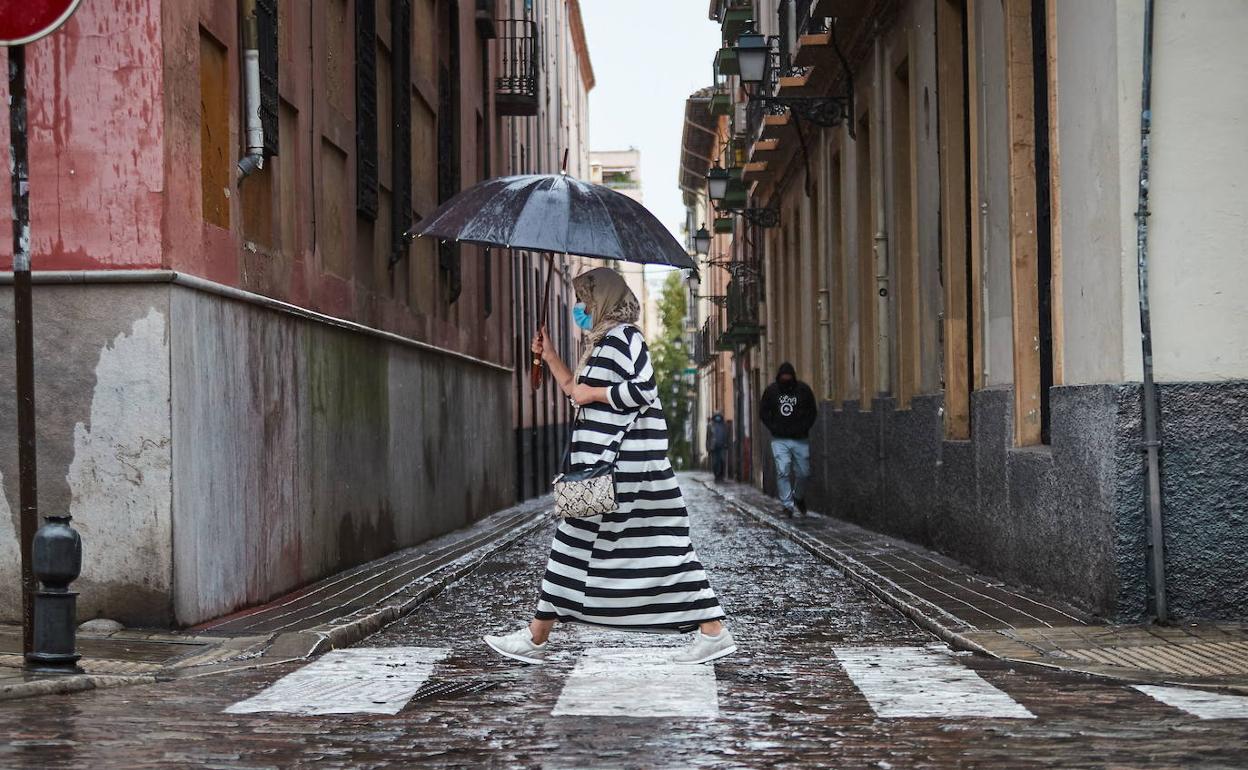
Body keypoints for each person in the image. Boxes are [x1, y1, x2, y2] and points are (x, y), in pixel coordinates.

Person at [484, 267, 736, 666]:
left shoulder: (625, 338)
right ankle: (712, 631)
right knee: (646, 546)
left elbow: (643, 389)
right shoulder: (600, 344)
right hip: (605, 468)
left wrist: (594, 391)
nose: (580, 308)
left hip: (627, 469)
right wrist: (550, 357)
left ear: (603, 300)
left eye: (585, 300)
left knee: (621, 545)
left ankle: (537, 637)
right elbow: (576, 393)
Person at [759, 362, 817, 517]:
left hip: (800, 439)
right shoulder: (771, 391)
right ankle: (787, 505)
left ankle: (798, 497)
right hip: (779, 440)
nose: (786, 378)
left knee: (804, 472)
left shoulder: (803, 390)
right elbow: (763, 412)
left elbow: (812, 411)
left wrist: (804, 427)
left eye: (788, 376)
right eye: (784, 376)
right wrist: (774, 427)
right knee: (782, 470)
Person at [706, 412, 729, 482]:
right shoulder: (710, 425)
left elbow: (726, 435)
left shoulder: (724, 425)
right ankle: (716, 475)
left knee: (722, 460)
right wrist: (708, 447)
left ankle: (721, 475)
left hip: (722, 446)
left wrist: (726, 443)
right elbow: (708, 437)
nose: (718, 418)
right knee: (715, 462)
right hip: (714, 447)